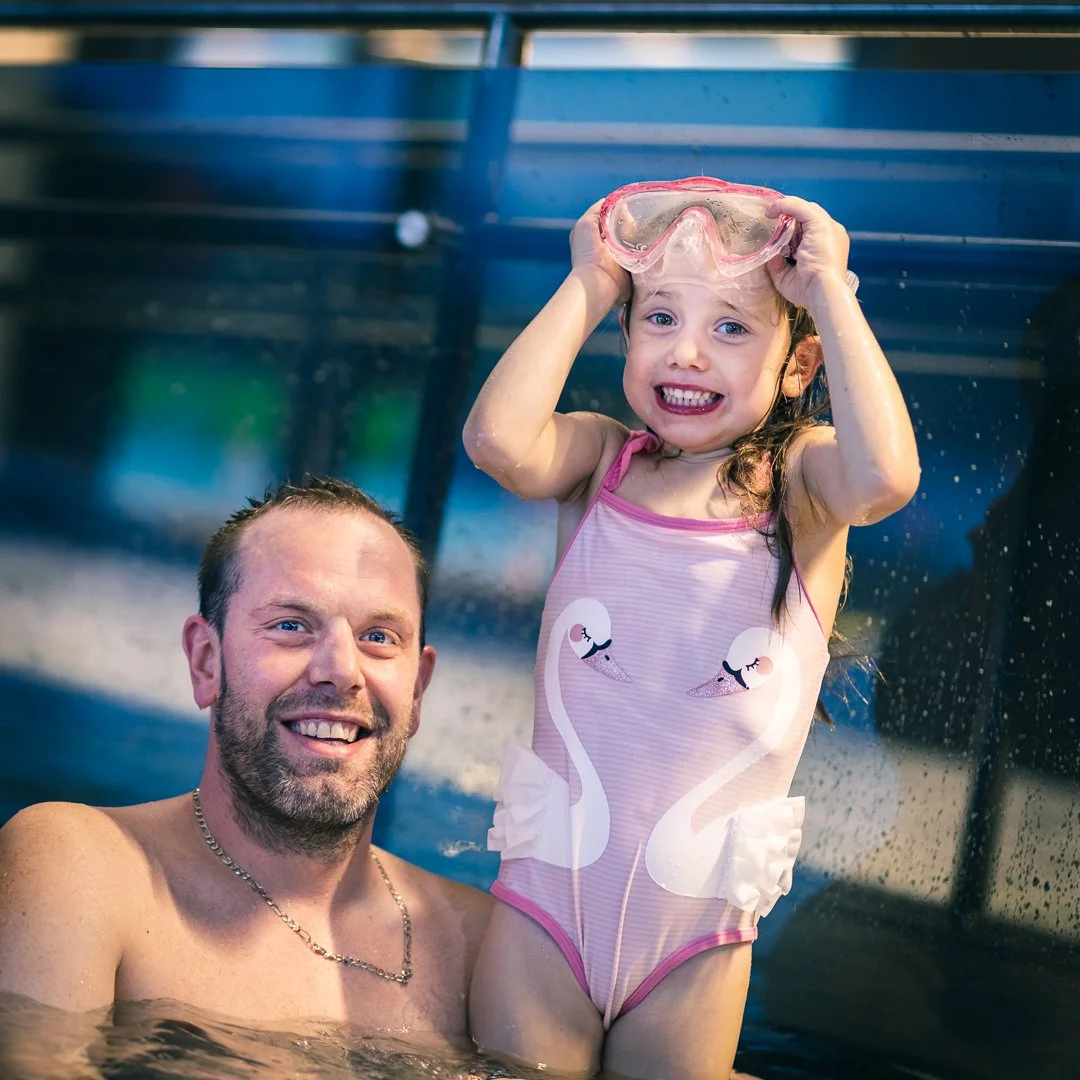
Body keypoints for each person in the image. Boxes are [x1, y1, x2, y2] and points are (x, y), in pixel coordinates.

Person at [462, 176, 921, 1078]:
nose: (688, 356)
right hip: (547, 906)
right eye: (660, 318)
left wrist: (830, 288)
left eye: (733, 327)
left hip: (695, 938)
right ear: (627, 335)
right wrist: (589, 284)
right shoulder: (599, 461)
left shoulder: (803, 484)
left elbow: (886, 480)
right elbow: (499, 442)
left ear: (798, 367)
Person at [0, 477, 491, 1047]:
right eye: (290, 626)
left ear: (417, 692)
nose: (341, 670)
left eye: (378, 636)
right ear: (207, 661)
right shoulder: (84, 870)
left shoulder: (478, 947)